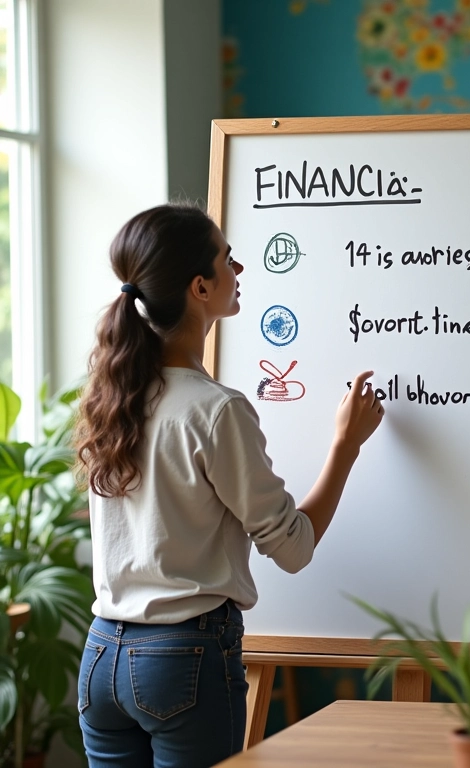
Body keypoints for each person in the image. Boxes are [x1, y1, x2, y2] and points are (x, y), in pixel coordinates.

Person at [74, 202, 384, 768]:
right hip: (181, 659)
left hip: (102, 656)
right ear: (199, 287)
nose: (239, 271)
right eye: (228, 260)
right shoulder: (215, 411)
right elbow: (292, 547)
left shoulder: (109, 399)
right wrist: (346, 447)